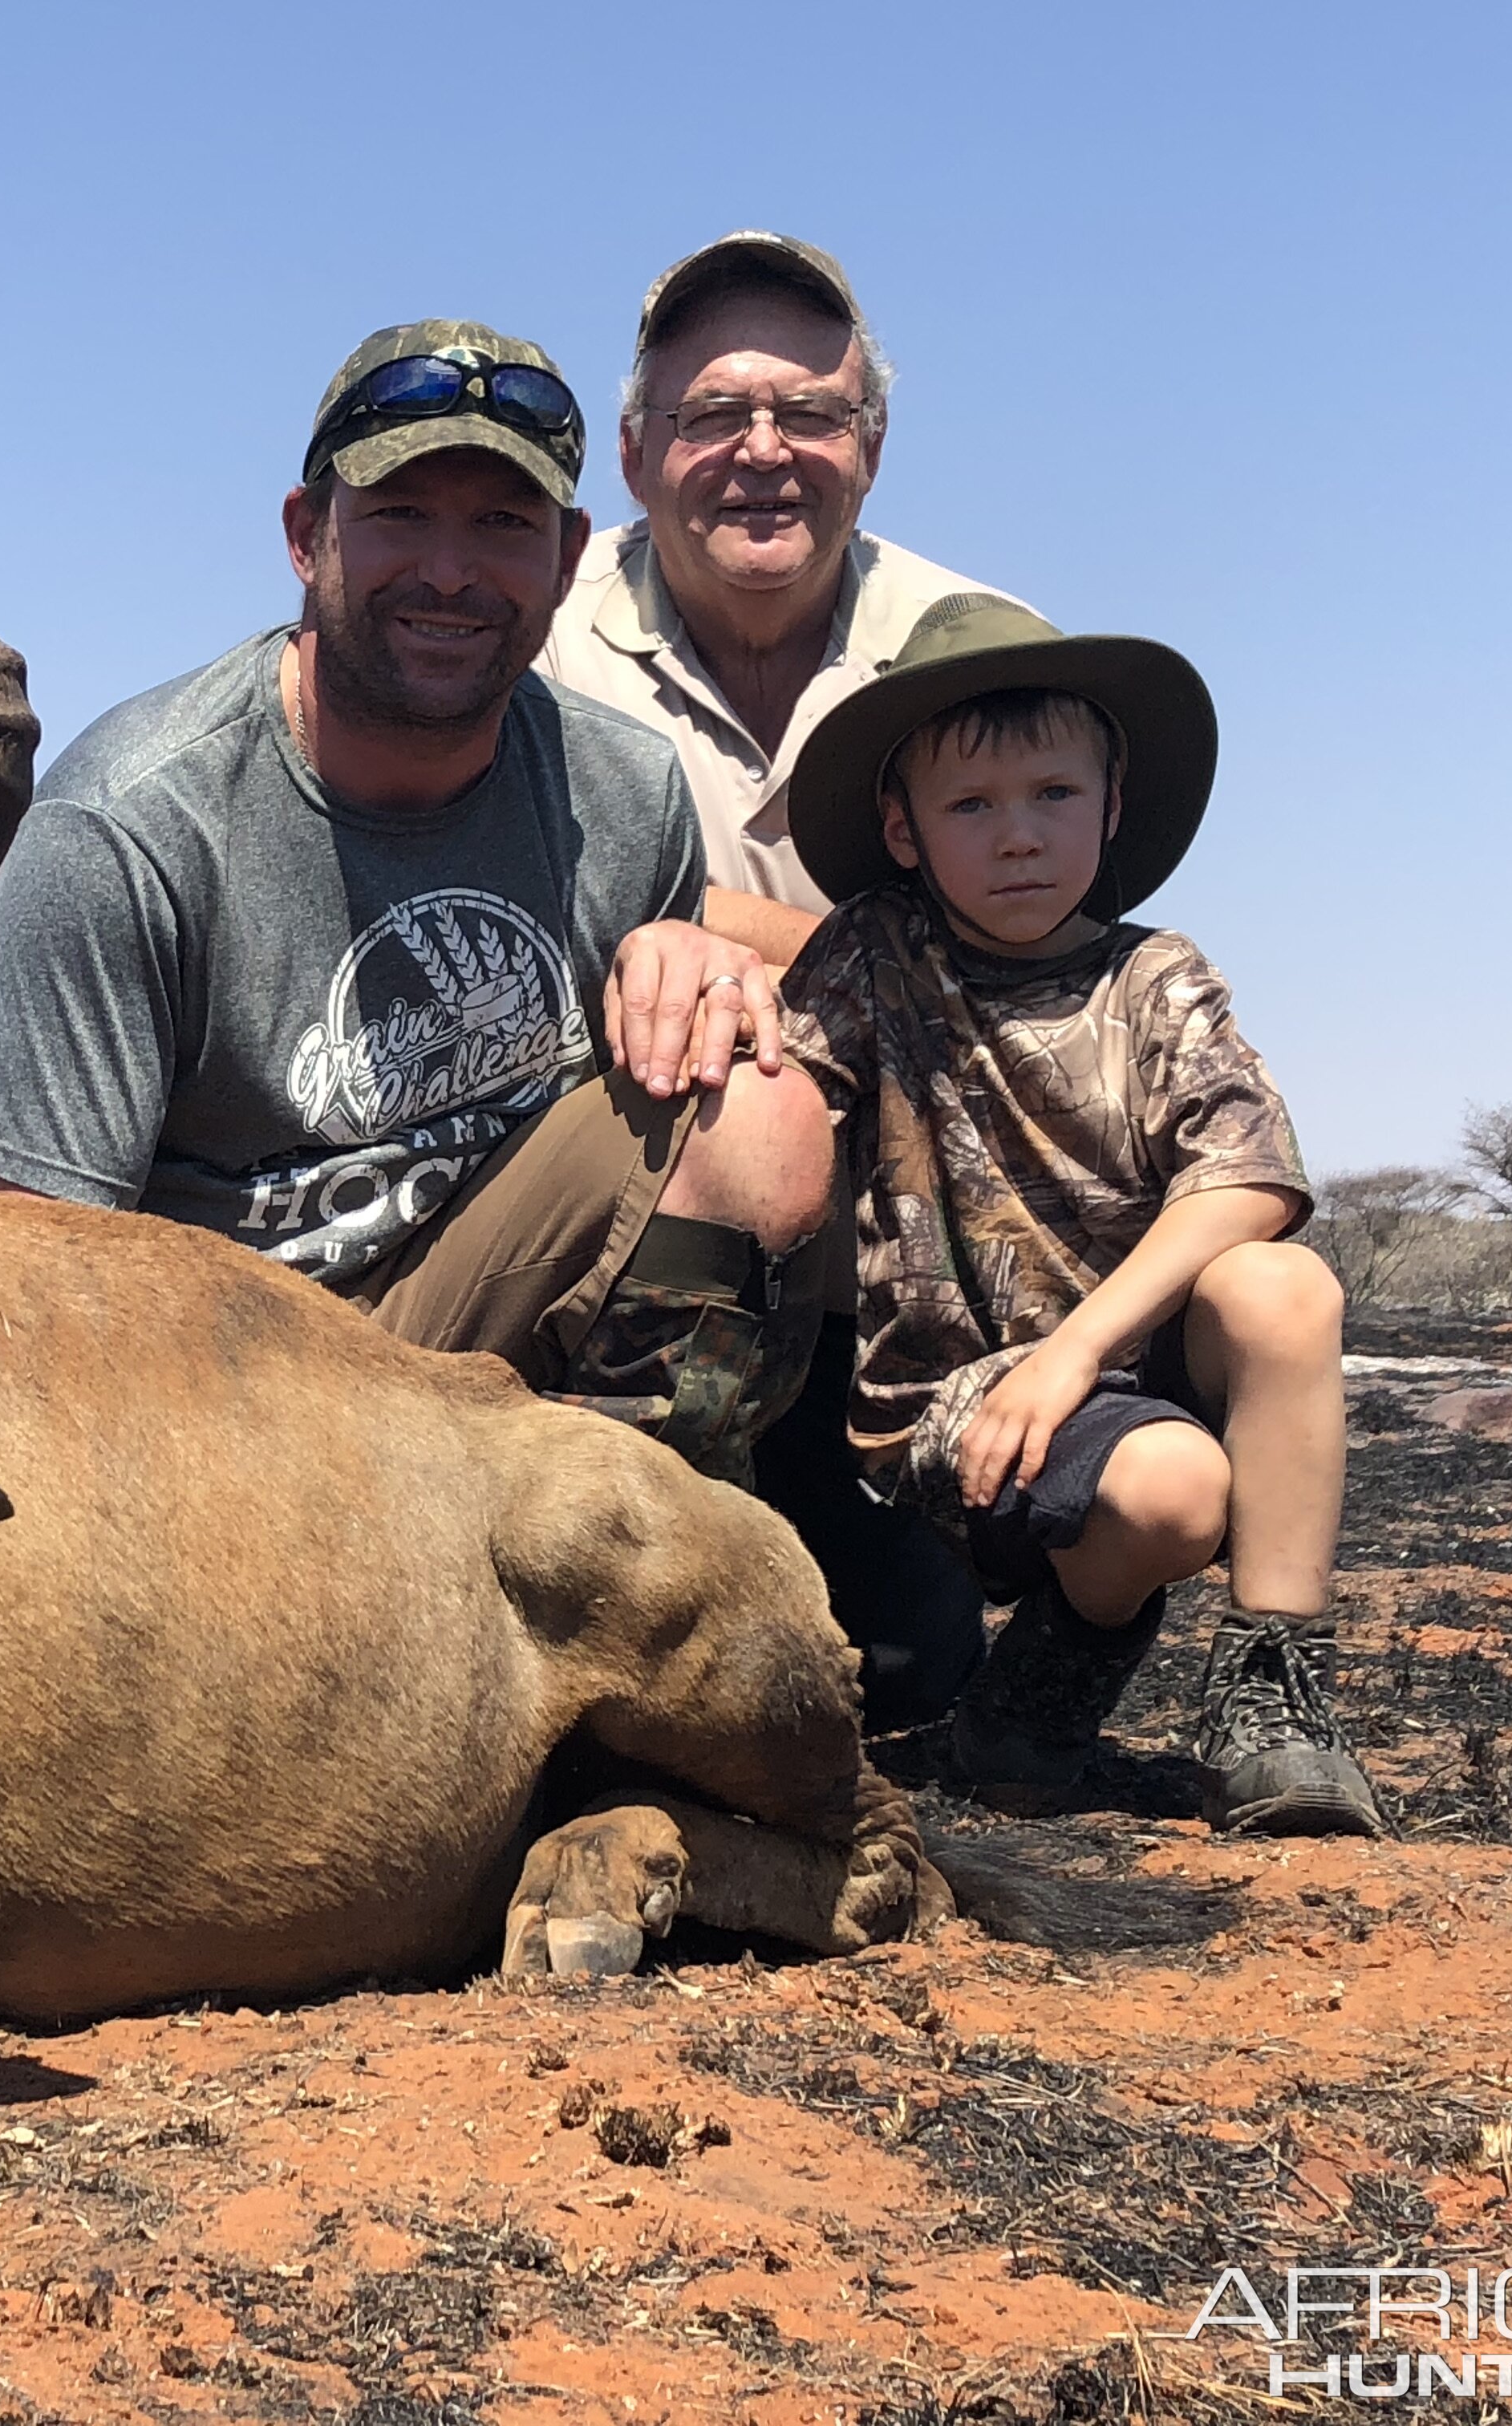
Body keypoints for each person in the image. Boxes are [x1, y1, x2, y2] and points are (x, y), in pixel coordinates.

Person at [0, 320, 835, 1460]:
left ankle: (635, 1552)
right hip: (221, 1392)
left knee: (759, 1111)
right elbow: (35, 1290)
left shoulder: (624, 791)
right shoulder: (123, 826)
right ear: (306, 536)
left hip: (482, 1340)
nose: (451, 572)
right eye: (402, 515)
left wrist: (695, 966)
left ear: (567, 560)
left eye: (503, 525)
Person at [772, 590, 1382, 1836]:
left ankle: (1274, 1697)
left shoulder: (1159, 976)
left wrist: (1073, 1356)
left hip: (1101, 1364)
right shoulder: (876, 951)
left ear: (1112, 809)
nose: (1018, 840)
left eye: (1055, 796)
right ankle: (1066, 1659)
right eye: (971, 807)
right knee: (1171, 1491)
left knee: (1287, 1286)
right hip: (951, 1404)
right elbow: (784, 1092)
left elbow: (1254, 1177)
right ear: (902, 829)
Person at [539, 233, 1020, 1729]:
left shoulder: (980, 647)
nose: (763, 452)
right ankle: (647, 1544)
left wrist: (704, 927)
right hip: (631, 1202)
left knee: (915, 1682)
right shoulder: (526, 639)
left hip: (896, 1232)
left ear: (870, 448)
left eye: (809, 414)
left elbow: (1037, 962)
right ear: (633, 454)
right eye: (711, 415)